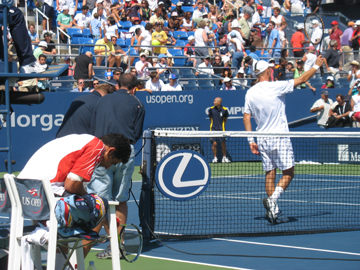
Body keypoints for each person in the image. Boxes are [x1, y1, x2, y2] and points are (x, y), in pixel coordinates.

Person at [243, 55, 325, 224]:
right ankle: (273, 200)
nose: (272, 71)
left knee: (270, 174)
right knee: (289, 173)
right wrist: (316, 66)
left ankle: (273, 211)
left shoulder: (250, 92)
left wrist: (251, 141)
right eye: (270, 69)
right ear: (266, 71)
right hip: (279, 136)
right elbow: (302, 78)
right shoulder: (276, 86)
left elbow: (246, 117)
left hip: (262, 138)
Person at [88, 73, 145, 260]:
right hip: (124, 153)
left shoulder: (102, 101)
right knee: (120, 200)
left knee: (101, 201)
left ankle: (109, 244)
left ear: (118, 84)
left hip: (101, 151)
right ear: (135, 87)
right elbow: (136, 135)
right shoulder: (138, 103)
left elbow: (93, 129)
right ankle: (118, 246)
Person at [208, 97, 230, 163]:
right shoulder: (211, 109)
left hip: (222, 130)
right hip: (213, 129)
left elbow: (225, 119)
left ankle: (224, 158)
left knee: (223, 143)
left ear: (219, 102)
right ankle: (215, 158)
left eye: (215, 101)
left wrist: (221, 126)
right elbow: (210, 118)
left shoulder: (224, 110)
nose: (213, 102)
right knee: (214, 143)